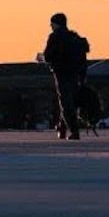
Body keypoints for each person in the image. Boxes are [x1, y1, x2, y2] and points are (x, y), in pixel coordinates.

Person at [42, 12, 91, 141]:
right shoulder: (74, 37)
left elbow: (47, 56)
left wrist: (47, 59)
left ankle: (74, 131)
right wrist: (82, 75)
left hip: (61, 73)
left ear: (56, 24)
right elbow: (83, 57)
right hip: (75, 74)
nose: (51, 26)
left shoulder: (55, 37)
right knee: (70, 101)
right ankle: (62, 128)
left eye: (52, 24)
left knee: (65, 102)